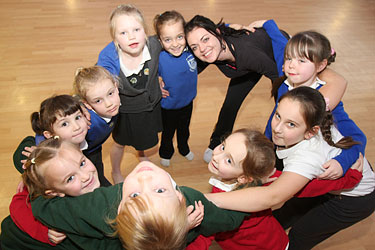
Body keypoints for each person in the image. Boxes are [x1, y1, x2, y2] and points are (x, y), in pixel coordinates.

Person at [205, 87, 375, 249]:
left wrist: (207, 199)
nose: (277, 129)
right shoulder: (310, 111)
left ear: (311, 132)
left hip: (354, 200)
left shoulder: (306, 159)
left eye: (291, 124)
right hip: (335, 181)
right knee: (284, 214)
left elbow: (271, 197)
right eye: (278, 115)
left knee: (300, 235)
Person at [184, 16, 348, 163]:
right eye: (195, 47)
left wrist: (273, 135)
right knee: (230, 104)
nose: (202, 48)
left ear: (217, 33)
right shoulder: (208, 49)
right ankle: (216, 142)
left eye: (205, 39)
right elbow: (185, 62)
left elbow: (281, 82)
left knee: (282, 108)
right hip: (246, 66)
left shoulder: (249, 54)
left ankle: (271, 150)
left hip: (271, 56)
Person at [188, 128, 362, 250]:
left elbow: (205, 233)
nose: (217, 155)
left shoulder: (225, 204)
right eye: (223, 146)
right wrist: (349, 177)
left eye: (228, 160)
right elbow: (309, 187)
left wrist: (351, 176)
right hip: (273, 239)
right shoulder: (265, 178)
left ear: (244, 178)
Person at [23, 160, 250, 250]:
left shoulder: (103, 207)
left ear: (119, 209)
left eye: (134, 195)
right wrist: (251, 183)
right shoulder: (190, 201)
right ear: (180, 199)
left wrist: (32, 173)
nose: (144, 179)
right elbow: (228, 219)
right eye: (159, 191)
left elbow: (44, 208)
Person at [263, 30, 366, 178]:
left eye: (301, 61)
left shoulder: (322, 101)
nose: (291, 65)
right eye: (289, 58)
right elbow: (276, 116)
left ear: (321, 65)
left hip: (308, 162)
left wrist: (341, 162)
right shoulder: (285, 85)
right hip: (282, 150)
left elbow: (357, 137)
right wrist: (266, 144)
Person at [97, 4, 163, 183]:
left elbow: (181, 32)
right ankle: (116, 171)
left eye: (136, 29)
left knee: (143, 136)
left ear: (145, 31)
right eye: (123, 33)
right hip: (126, 112)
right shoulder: (109, 58)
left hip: (150, 106)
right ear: (114, 38)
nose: (131, 36)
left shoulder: (155, 45)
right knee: (119, 143)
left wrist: (227, 29)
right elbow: (96, 83)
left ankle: (141, 153)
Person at [1, 138, 101, 249]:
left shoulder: (61, 170)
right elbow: (17, 205)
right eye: (70, 178)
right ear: (54, 192)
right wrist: (43, 231)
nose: (86, 176)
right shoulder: (56, 207)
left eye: (82, 163)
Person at [153, 10, 197, 167]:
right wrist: (157, 82)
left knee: (184, 129)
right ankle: (166, 152)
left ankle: (184, 148)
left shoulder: (192, 51)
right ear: (160, 41)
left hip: (188, 102)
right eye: (168, 39)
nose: (175, 44)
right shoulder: (160, 58)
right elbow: (149, 75)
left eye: (179, 37)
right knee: (168, 132)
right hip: (168, 106)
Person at [73, 65, 121, 186]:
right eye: (98, 101)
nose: (109, 103)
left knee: (98, 171)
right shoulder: (86, 123)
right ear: (87, 104)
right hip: (78, 157)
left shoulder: (115, 102)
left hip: (94, 149)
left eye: (110, 93)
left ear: (116, 87)